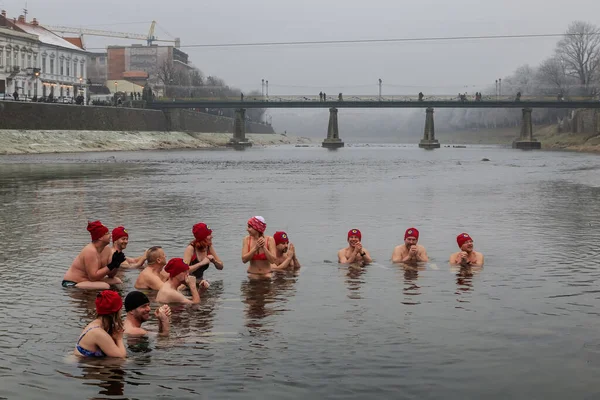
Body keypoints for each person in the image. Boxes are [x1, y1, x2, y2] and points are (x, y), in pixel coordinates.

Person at [62, 221, 125, 289]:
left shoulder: (107, 249)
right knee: (105, 286)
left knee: (117, 281)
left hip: (88, 281)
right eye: (107, 233)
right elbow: (93, 277)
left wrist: (116, 264)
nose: (110, 235)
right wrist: (111, 265)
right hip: (72, 283)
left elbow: (111, 275)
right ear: (100, 237)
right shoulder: (90, 251)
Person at [74, 290, 126, 358]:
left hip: (83, 363)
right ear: (116, 312)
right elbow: (121, 357)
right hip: (83, 364)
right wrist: (119, 338)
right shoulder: (98, 333)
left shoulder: (94, 324)